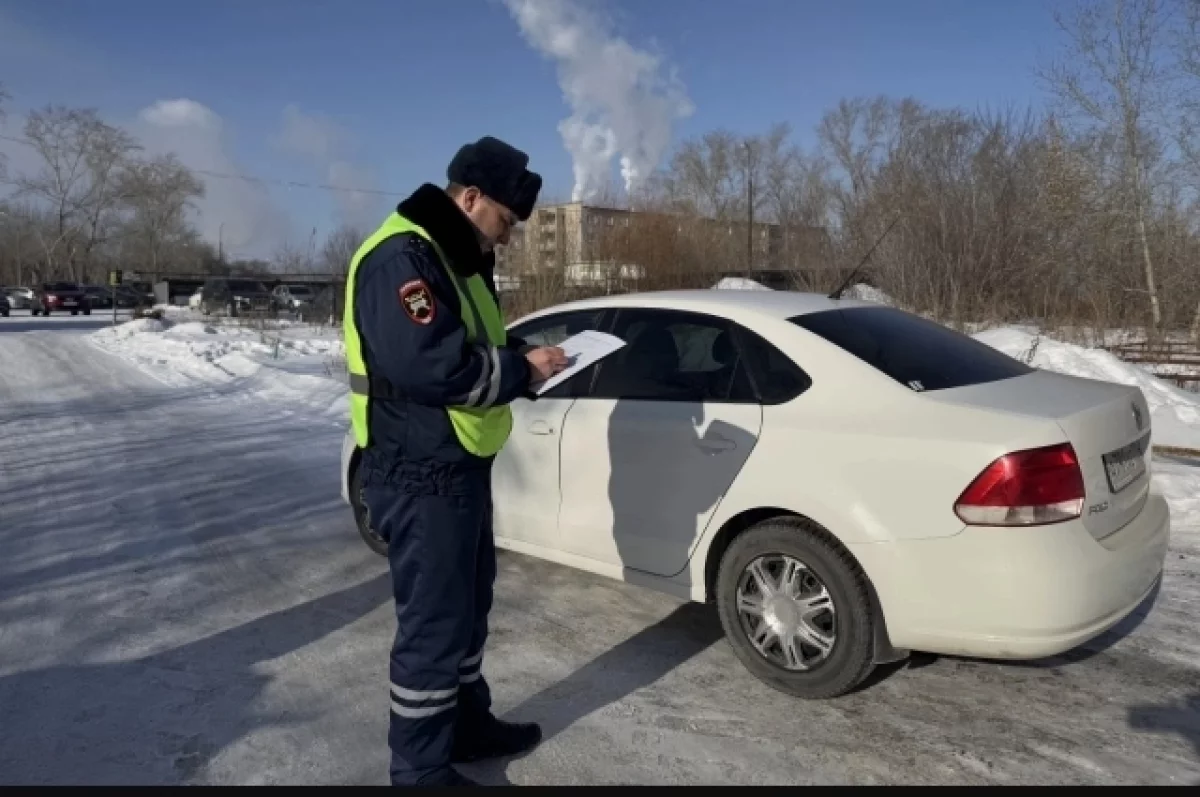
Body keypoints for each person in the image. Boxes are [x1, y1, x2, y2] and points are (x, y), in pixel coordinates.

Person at [342, 136, 569, 786]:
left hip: (457, 468)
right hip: (418, 472)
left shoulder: (451, 254)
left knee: (468, 612)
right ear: (470, 198)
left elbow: (473, 342)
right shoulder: (402, 256)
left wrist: (525, 356)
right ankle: (419, 769)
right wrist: (519, 371)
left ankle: (466, 725)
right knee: (434, 629)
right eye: (503, 221)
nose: (505, 238)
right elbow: (430, 364)